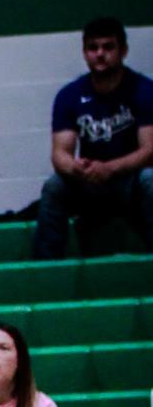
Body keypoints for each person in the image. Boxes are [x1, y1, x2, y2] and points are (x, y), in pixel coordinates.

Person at [35, 19, 153, 258]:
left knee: (152, 179)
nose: (100, 54)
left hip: (129, 180)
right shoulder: (69, 96)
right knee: (54, 186)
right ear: (85, 53)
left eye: (108, 47)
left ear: (123, 51)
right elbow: (59, 154)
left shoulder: (144, 90)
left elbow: (150, 150)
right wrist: (76, 167)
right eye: (93, 48)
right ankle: (46, 270)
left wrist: (110, 168)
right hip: (90, 181)